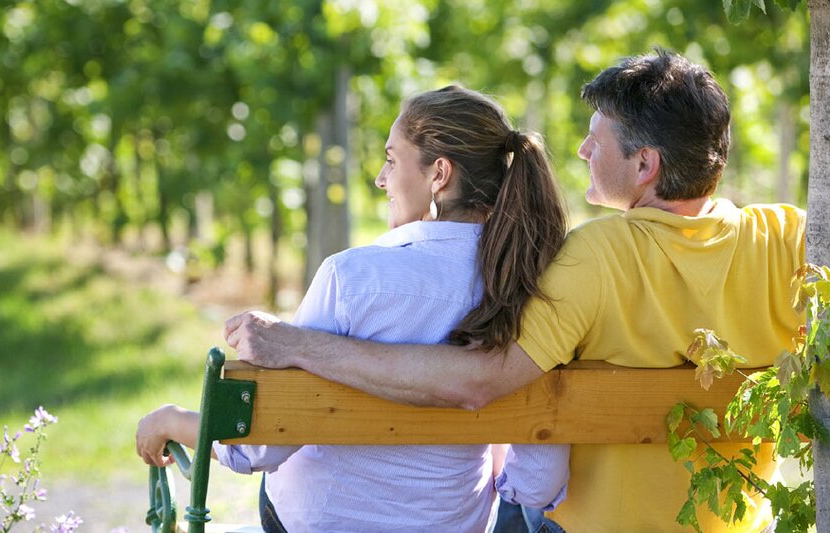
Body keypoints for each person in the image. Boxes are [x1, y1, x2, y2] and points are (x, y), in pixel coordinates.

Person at [223, 49, 807, 532]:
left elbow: (481, 380)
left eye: (596, 139)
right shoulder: (790, 237)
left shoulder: (595, 256)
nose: (582, 151)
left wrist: (300, 345)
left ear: (645, 164)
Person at [137, 86, 571, 532]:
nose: (381, 179)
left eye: (391, 160)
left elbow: (260, 449)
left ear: (439, 174)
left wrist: (170, 420)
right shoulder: (533, 286)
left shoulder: (351, 278)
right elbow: (536, 484)